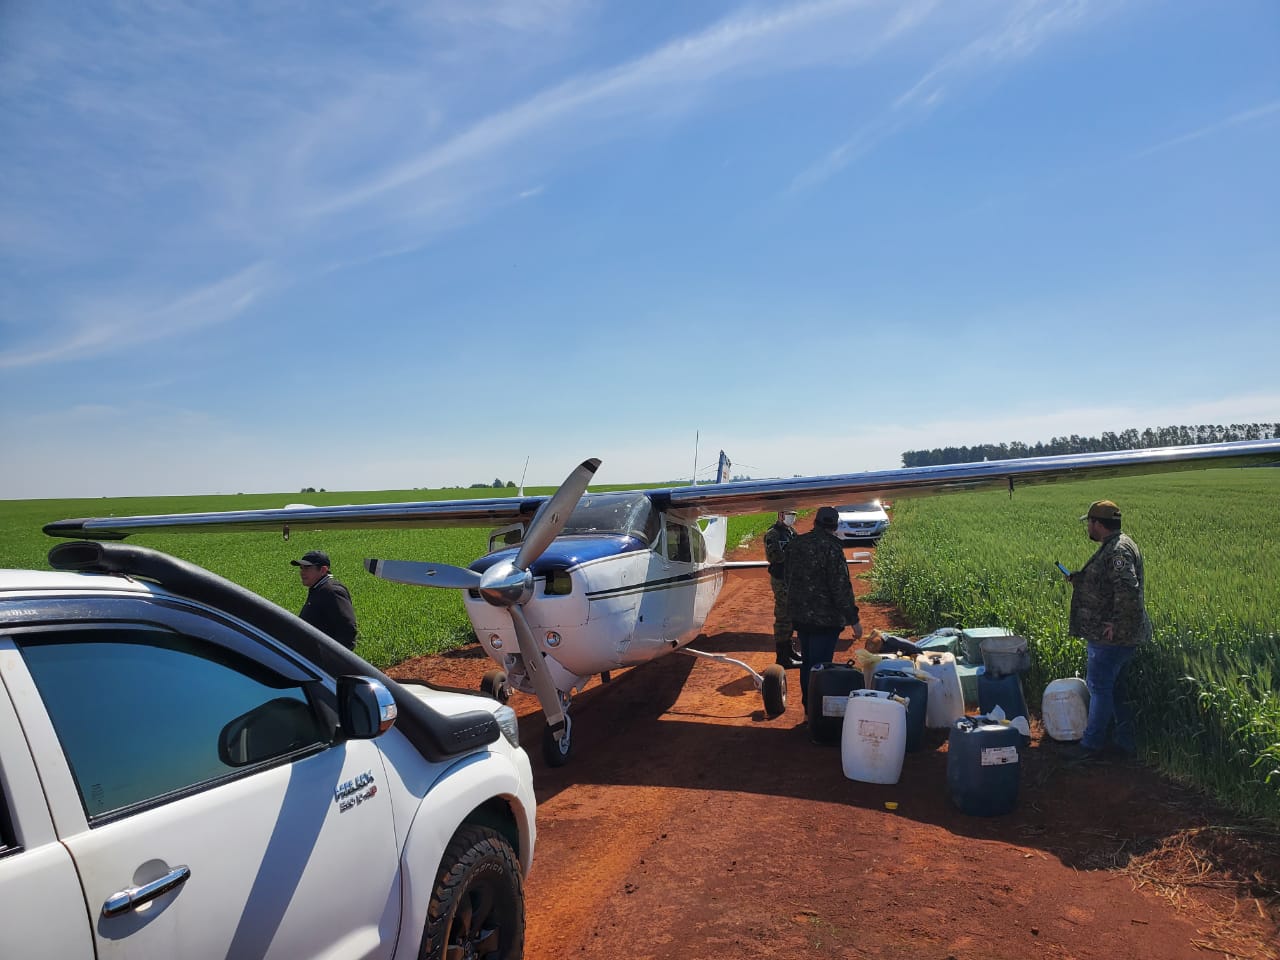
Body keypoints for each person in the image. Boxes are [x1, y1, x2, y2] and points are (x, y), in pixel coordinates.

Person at [1066, 500, 1151, 760]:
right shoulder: (1117, 544)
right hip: (1121, 635)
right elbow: (1107, 583)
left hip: (1112, 638)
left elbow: (1127, 588)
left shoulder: (1117, 550)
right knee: (1115, 689)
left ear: (1098, 524)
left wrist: (1116, 623)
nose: (1088, 528)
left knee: (1099, 687)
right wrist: (1081, 579)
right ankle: (1124, 743)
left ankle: (1091, 746)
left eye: (1089, 523)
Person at [785, 506, 863, 714]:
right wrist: (853, 620)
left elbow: (786, 578)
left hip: (801, 617)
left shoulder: (796, 544)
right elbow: (840, 588)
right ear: (835, 525)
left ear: (815, 523)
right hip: (825, 620)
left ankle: (808, 708)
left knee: (807, 663)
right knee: (820, 667)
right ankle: (818, 713)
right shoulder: (832, 548)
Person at [291, 550, 359, 650]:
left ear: (323, 570)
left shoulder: (332, 591)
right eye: (301, 568)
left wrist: (335, 659)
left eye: (307, 568)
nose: (302, 572)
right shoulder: (318, 589)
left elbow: (348, 629)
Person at [764, 509, 802, 668]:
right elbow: (774, 557)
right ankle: (782, 657)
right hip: (781, 579)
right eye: (789, 514)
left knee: (791, 615)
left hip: (791, 578)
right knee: (783, 616)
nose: (792, 518)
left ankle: (788, 650)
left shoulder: (791, 532)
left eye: (794, 514)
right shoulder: (772, 534)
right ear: (780, 515)